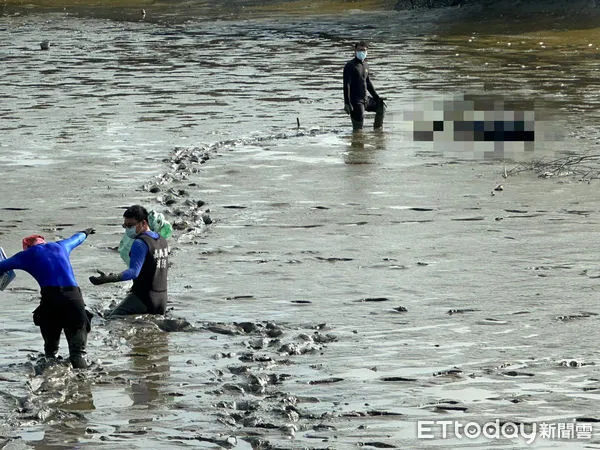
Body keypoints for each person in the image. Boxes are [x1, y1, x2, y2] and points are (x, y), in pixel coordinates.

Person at [0, 229, 95, 369]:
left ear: (27, 247)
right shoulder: (61, 246)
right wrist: (85, 232)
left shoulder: (26, 255)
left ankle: (48, 382)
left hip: (50, 301)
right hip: (74, 299)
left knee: (51, 354)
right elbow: (77, 238)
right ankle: (85, 385)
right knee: (77, 354)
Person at [90, 205, 169, 317]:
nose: (128, 229)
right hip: (162, 299)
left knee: (112, 320)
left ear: (144, 223)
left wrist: (108, 278)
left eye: (131, 225)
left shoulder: (140, 243)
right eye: (125, 226)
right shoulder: (162, 240)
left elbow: (134, 272)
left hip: (144, 298)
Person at [343, 41, 386, 131]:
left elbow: (368, 83)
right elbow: (346, 85)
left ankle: (378, 131)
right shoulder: (350, 66)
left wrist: (377, 97)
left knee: (381, 106)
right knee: (358, 130)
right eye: (359, 50)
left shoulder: (366, 65)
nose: (362, 52)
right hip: (356, 101)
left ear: (367, 51)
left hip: (365, 99)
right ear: (355, 50)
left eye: (364, 50)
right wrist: (347, 103)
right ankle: (357, 142)